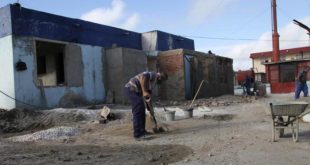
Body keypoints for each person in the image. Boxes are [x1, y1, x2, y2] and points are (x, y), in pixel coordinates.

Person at [124, 71, 168, 140]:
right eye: (162, 79)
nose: (160, 80)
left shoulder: (151, 83)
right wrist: (144, 91)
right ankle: (138, 135)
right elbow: (143, 77)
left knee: (142, 110)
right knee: (138, 110)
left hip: (135, 91)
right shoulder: (153, 75)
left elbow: (148, 98)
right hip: (131, 89)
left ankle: (142, 131)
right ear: (160, 77)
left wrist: (151, 110)